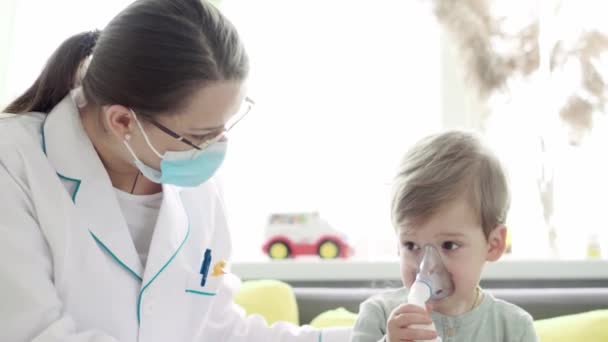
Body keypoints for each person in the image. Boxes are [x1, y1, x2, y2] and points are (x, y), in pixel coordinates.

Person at [0, 0, 350, 341]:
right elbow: (33, 331)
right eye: (201, 135)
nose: (217, 146)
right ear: (122, 120)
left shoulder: (190, 178)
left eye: (225, 126)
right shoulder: (14, 163)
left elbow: (216, 328)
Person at [350, 131, 538, 342]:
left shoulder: (513, 328)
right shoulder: (378, 315)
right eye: (411, 245)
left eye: (449, 245)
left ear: (493, 245)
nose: (427, 267)